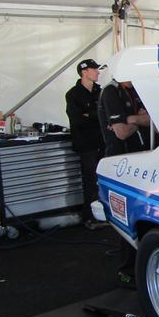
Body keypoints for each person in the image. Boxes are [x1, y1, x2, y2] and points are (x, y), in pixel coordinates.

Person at [98, 79, 156, 285]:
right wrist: (136, 119)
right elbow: (121, 132)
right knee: (126, 215)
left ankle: (143, 265)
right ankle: (127, 271)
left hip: (142, 160)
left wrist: (132, 119)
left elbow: (152, 121)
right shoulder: (111, 93)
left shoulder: (137, 89)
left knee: (143, 215)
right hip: (121, 164)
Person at [65, 59, 105, 230]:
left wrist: (92, 115)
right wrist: (96, 117)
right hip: (86, 145)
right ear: (84, 71)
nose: (98, 72)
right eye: (94, 69)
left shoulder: (100, 91)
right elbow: (77, 120)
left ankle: (104, 215)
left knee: (103, 179)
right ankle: (89, 217)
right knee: (90, 180)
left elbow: (106, 114)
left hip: (102, 142)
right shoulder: (73, 94)